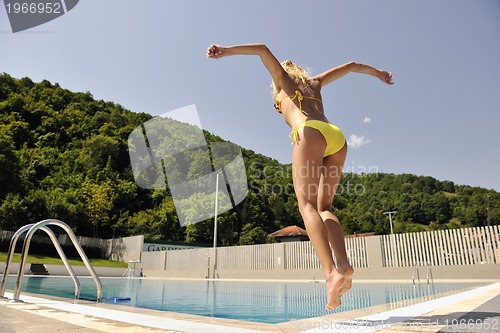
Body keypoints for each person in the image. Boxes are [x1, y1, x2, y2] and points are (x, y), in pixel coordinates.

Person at [206, 43, 394, 310]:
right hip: (336, 136)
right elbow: (352, 66)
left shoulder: (281, 81)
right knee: (324, 206)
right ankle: (342, 263)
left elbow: (261, 49)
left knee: (306, 205)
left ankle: (331, 273)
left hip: (309, 131)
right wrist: (379, 74)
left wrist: (225, 50)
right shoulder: (315, 83)